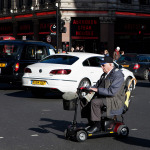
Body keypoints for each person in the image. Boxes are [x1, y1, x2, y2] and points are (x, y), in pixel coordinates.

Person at [81, 56, 125, 134]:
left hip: (114, 99)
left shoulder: (117, 75)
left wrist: (97, 90)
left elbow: (112, 92)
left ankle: (97, 125)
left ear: (111, 65)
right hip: (105, 97)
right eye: (101, 65)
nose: (101, 67)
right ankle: (92, 122)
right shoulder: (105, 74)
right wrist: (88, 88)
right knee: (84, 99)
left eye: (103, 65)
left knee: (95, 102)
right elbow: (97, 85)